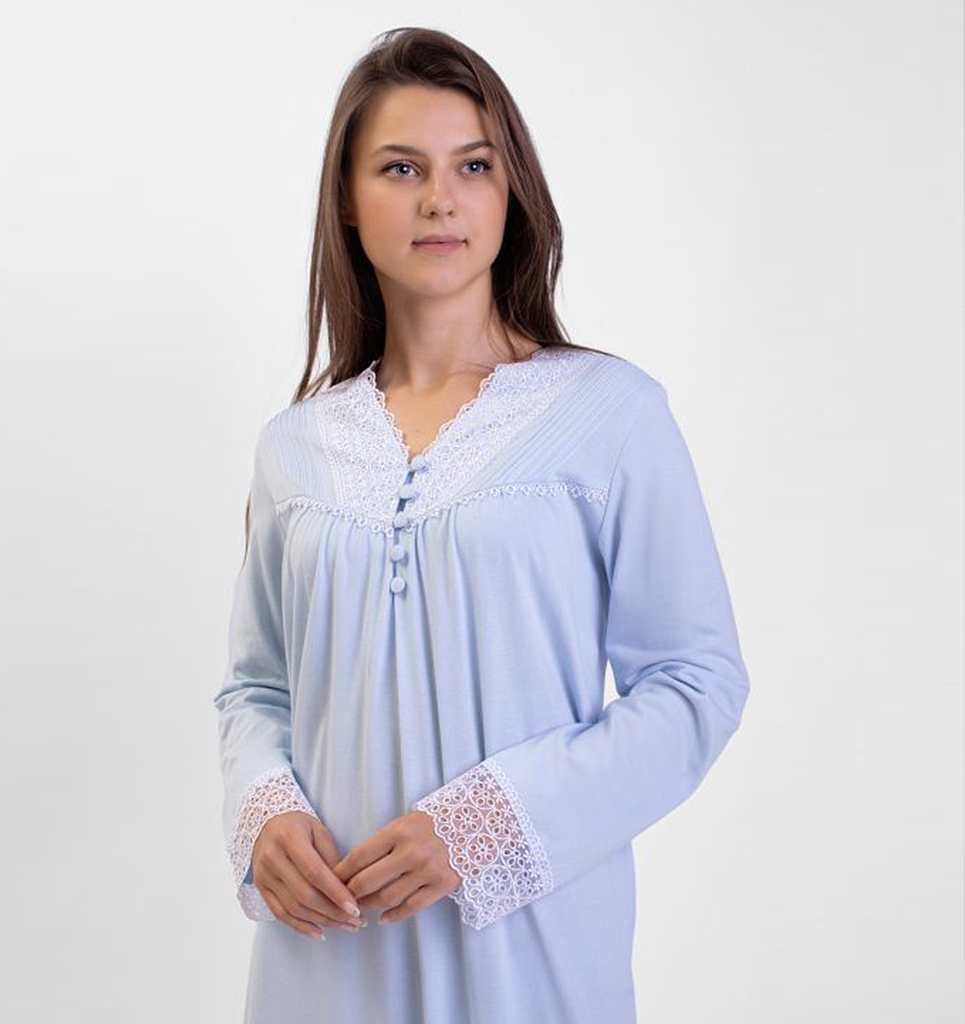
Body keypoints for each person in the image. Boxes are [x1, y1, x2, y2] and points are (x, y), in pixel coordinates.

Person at [212, 26, 751, 1024]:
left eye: (472, 165)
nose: (439, 199)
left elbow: (695, 684)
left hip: (527, 962)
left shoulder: (609, 415)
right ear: (346, 199)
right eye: (400, 168)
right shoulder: (294, 449)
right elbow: (256, 687)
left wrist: (484, 825)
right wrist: (266, 812)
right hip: (324, 957)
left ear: (512, 192)